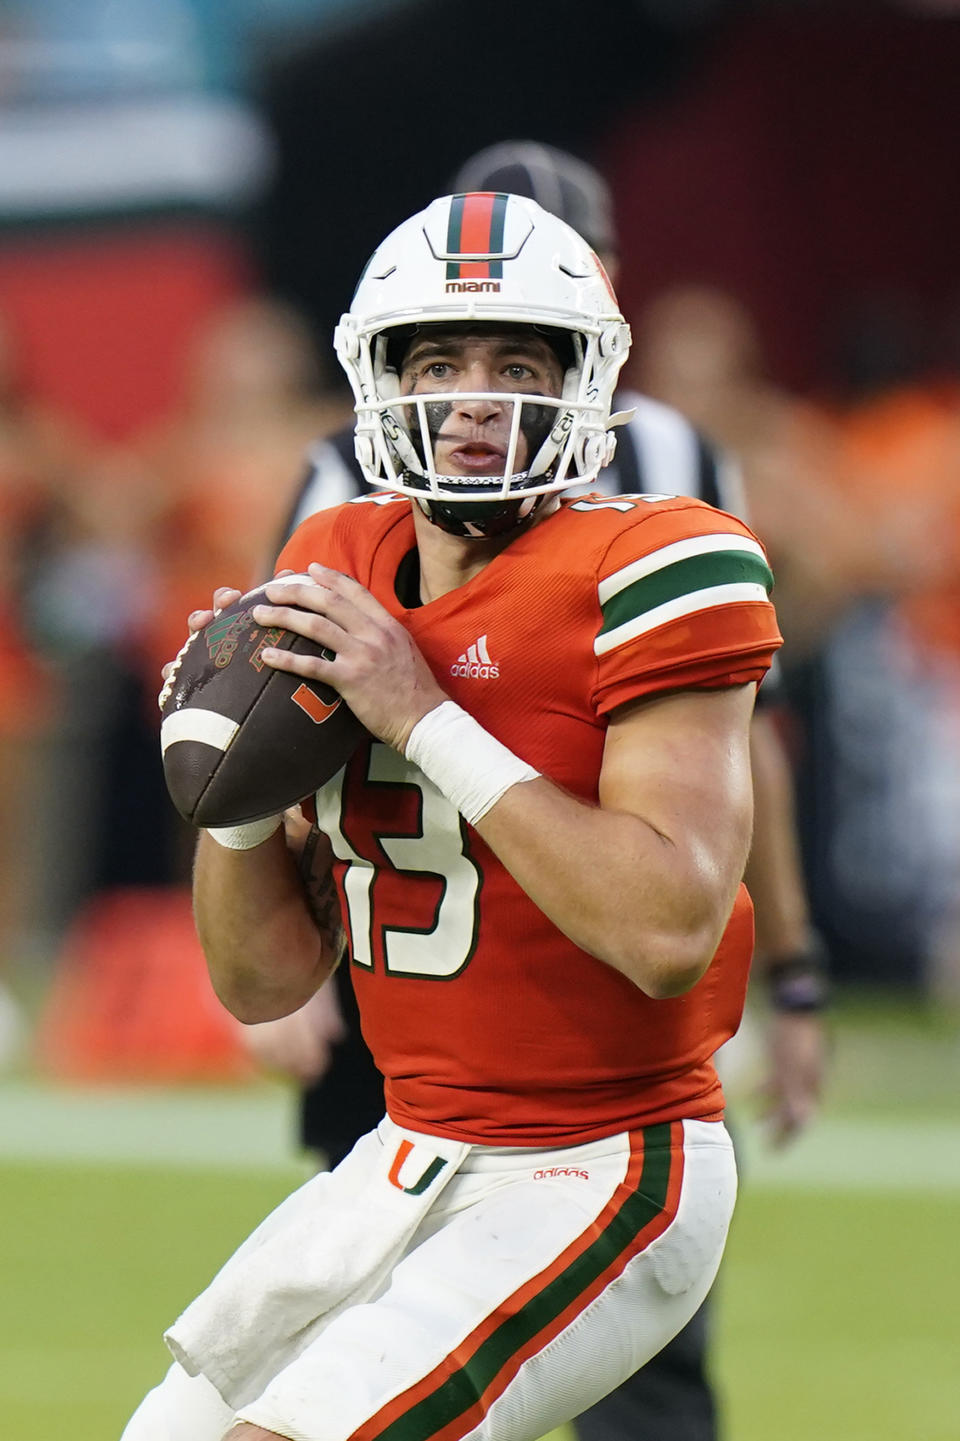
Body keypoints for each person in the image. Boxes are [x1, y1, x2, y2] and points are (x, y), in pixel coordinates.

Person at [123, 190, 781, 1441]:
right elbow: (261, 981)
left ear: (584, 380)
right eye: (440, 359)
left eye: (516, 361)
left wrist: (419, 714)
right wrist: (231, 790)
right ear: (380, 378)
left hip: (602, 1164)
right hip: (404, 1151)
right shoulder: (338, 554)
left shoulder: (661, 561)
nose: (477, 395)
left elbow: (667, 928)